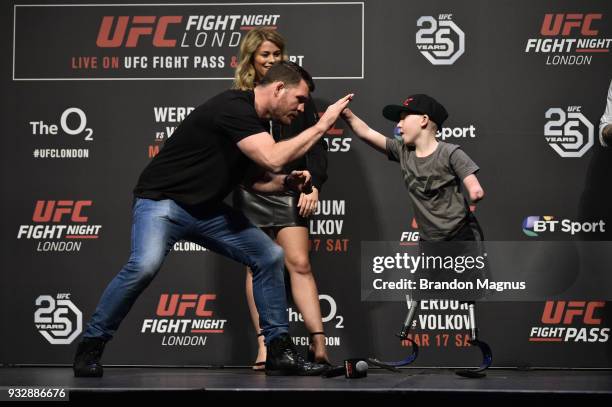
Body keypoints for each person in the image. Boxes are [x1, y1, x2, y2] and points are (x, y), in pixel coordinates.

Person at [72, 61, 353, 377]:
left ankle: (278, 351)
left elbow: (255, 180)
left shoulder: (254, 124)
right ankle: (91, 346)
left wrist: (288, 183)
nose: (302, 109)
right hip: (163, 202)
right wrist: (321, 126)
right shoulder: (234, 107)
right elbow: (272, 157)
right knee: (144, 266)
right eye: (299, 99)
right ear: (278, 89)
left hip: (205, 210)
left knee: (269, 255)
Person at [232, 28, 331, 370]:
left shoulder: (298, 92)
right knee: (256, 266)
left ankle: (320, 346)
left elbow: (317, 144)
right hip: (253, 190)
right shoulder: (241, 99)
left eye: (276, 54)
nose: (272, 60)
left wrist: (314, 184)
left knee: (299, 264)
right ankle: (265, 347)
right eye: (264, 55)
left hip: (291, 187)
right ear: (251, 60)